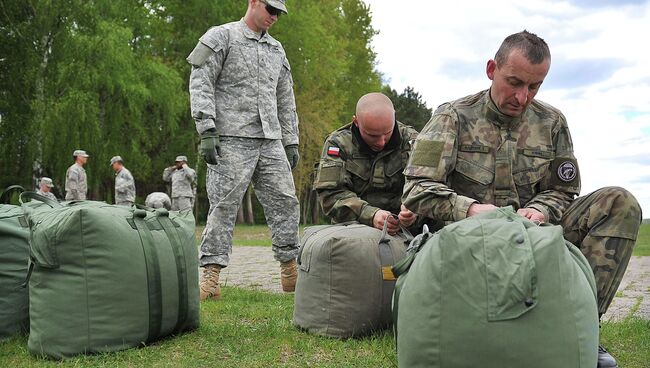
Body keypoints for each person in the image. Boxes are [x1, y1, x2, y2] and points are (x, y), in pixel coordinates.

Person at [402, 30, 642, 368]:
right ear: (491, 69)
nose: (522, 96)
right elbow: (417, 190)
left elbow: (562, 190)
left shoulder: (552, 122)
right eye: (514, 82)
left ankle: (584, 328)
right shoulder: (453, 117)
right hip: (467, 242)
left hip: (535, 236)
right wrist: (470, 209)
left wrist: (540, 211)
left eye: (534, 86)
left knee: (621, 202)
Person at [187, 0, 300, 300]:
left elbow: (286, 99)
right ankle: (211, 278)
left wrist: (291, 141)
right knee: (223, 207)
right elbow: (201, 81)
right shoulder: (220, 37)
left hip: (270, 139)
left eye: (279, 13)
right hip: (231, 137)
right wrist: (206, 128)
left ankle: (290, 272)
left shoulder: (277, 50)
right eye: (270, 9)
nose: (274, 17)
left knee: (286, 203)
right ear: (253, 2)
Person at [313, 92, 426, 235]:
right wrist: (370, 215)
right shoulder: (338, 144)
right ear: (356, 122)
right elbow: (330, 195)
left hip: (409, 231)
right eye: (372, 135)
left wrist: (414, 210)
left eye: (387, 133)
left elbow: (429, 185)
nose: (381, 142)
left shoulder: (414, 141)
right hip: (355, 229)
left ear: (394, 117)